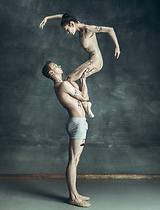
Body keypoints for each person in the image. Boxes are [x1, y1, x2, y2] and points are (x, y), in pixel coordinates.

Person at [42, 61, 91, 208]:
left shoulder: (61, 85)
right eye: (55, 66)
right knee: (73, 160)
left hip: (77, 123)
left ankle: (75, 194)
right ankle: (73, 197)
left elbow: (80, 98)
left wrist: (80, 82)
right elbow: (85, 98)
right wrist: (83, 81)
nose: (59, 66)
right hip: (77, 124)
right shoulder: (62, 85)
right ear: (51, 73)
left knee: (75, 160)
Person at [39, 13, 120, 82]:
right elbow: (64, 16)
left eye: (67, 30)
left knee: (68, 79)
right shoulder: (77, 25)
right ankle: (81, 100)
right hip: (92, 60)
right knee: (70, 80)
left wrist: (117, 47)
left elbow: (110, 30)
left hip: (96, 61)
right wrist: (47, 18)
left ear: (72, 24)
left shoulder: (88, 29)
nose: (67, 32)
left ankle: (82, 100)